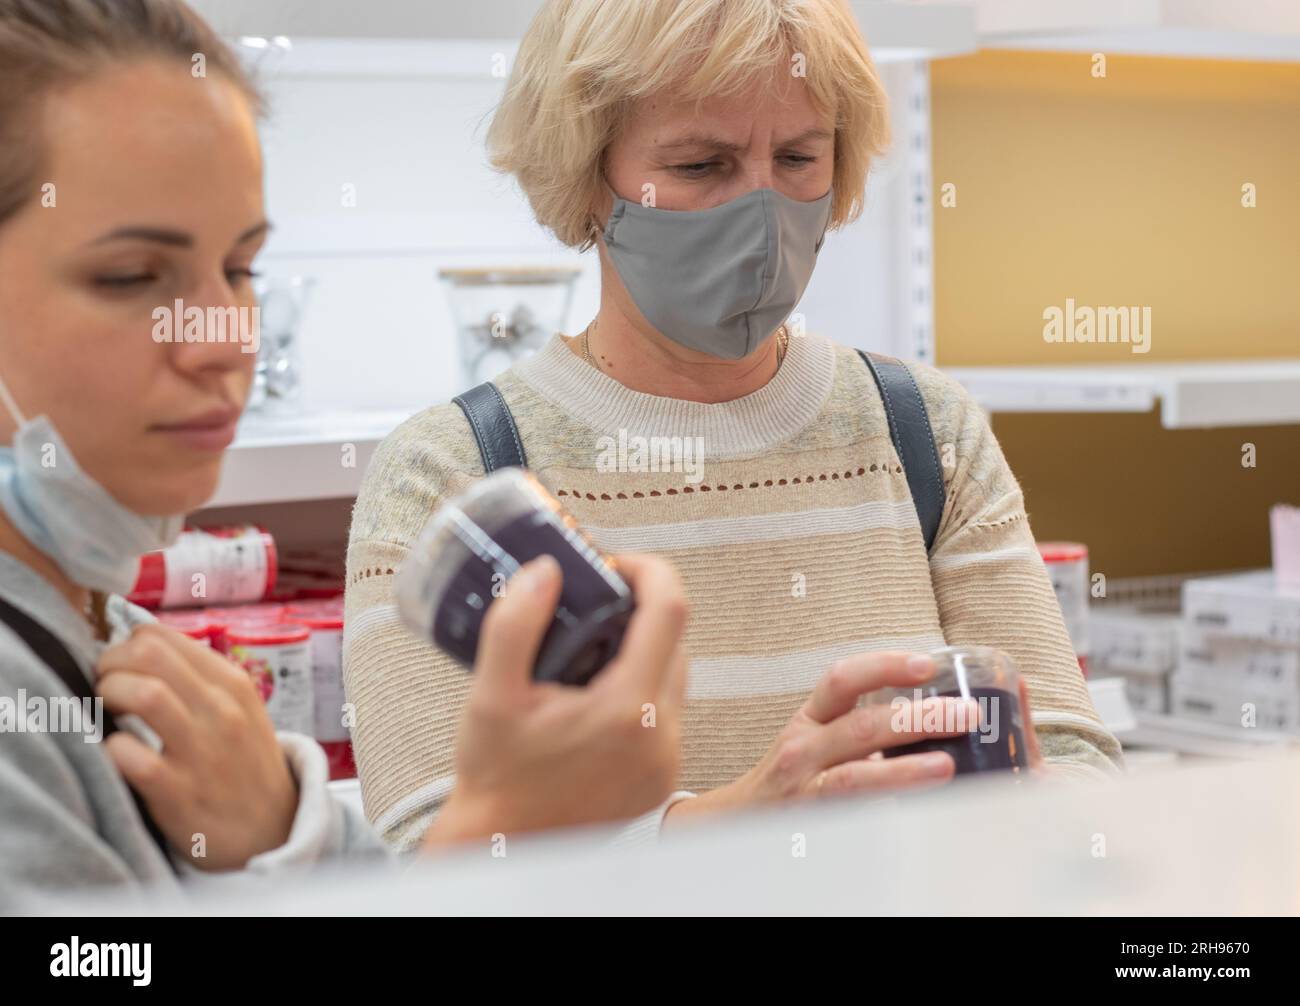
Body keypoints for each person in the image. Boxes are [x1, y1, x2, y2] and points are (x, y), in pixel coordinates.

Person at [344, 0, 1125, 852]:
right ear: (585, 174)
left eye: (798, 157)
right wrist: (748, 825)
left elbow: (1073, 757)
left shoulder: (922, 429)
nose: (762, 210)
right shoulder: (453, 478)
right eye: (700, 164)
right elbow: (436, 860)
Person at [0, 0, 688, 909]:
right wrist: (507, 822)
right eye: (131, 276)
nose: (224, 338)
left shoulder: (120, 642)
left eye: (240, 269)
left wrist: (285, 830)